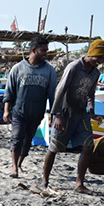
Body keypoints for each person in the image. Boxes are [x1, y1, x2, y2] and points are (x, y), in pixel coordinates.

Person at [42, 39, 104, 194]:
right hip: (65, 113)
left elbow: (90, 94)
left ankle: (79, 183)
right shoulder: (74, 67)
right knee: (54, 148)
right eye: (98, 57)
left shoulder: (96, 73)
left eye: (102, 58)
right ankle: (45, 179)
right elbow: (60, 90)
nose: (100, 61)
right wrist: (57, 115)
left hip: (81, 114)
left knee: (88, 147)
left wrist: (92, 112)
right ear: (91, 54)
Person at [3, 36, 57, 178]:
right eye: (43, 50)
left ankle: (20, 163)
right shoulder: (18, 68)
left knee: (28, 141)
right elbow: (9, 91)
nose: (45, 53)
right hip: (19, 111)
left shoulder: (49, 71)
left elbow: (53, 94)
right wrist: (6, 110)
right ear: (33, 50)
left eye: (46, 50)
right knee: (17, 138)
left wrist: (54, 114)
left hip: (36, 113)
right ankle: (14, 167)